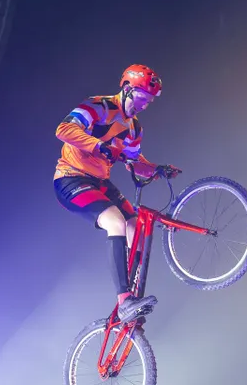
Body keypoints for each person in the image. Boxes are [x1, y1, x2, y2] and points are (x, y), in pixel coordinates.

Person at [53, 64, 179, 322]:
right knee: (115, 221)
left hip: (99, 182)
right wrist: (98, 146)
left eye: (150, 100)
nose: (145, 104)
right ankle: (124, 301)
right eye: (142, 97)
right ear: (126, 89)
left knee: (137, 229)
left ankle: (132, 301)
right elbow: (63, 130)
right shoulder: (98, 106)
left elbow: (135, 163)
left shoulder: (134, 129)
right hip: (71, 178)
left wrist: (158, 169)